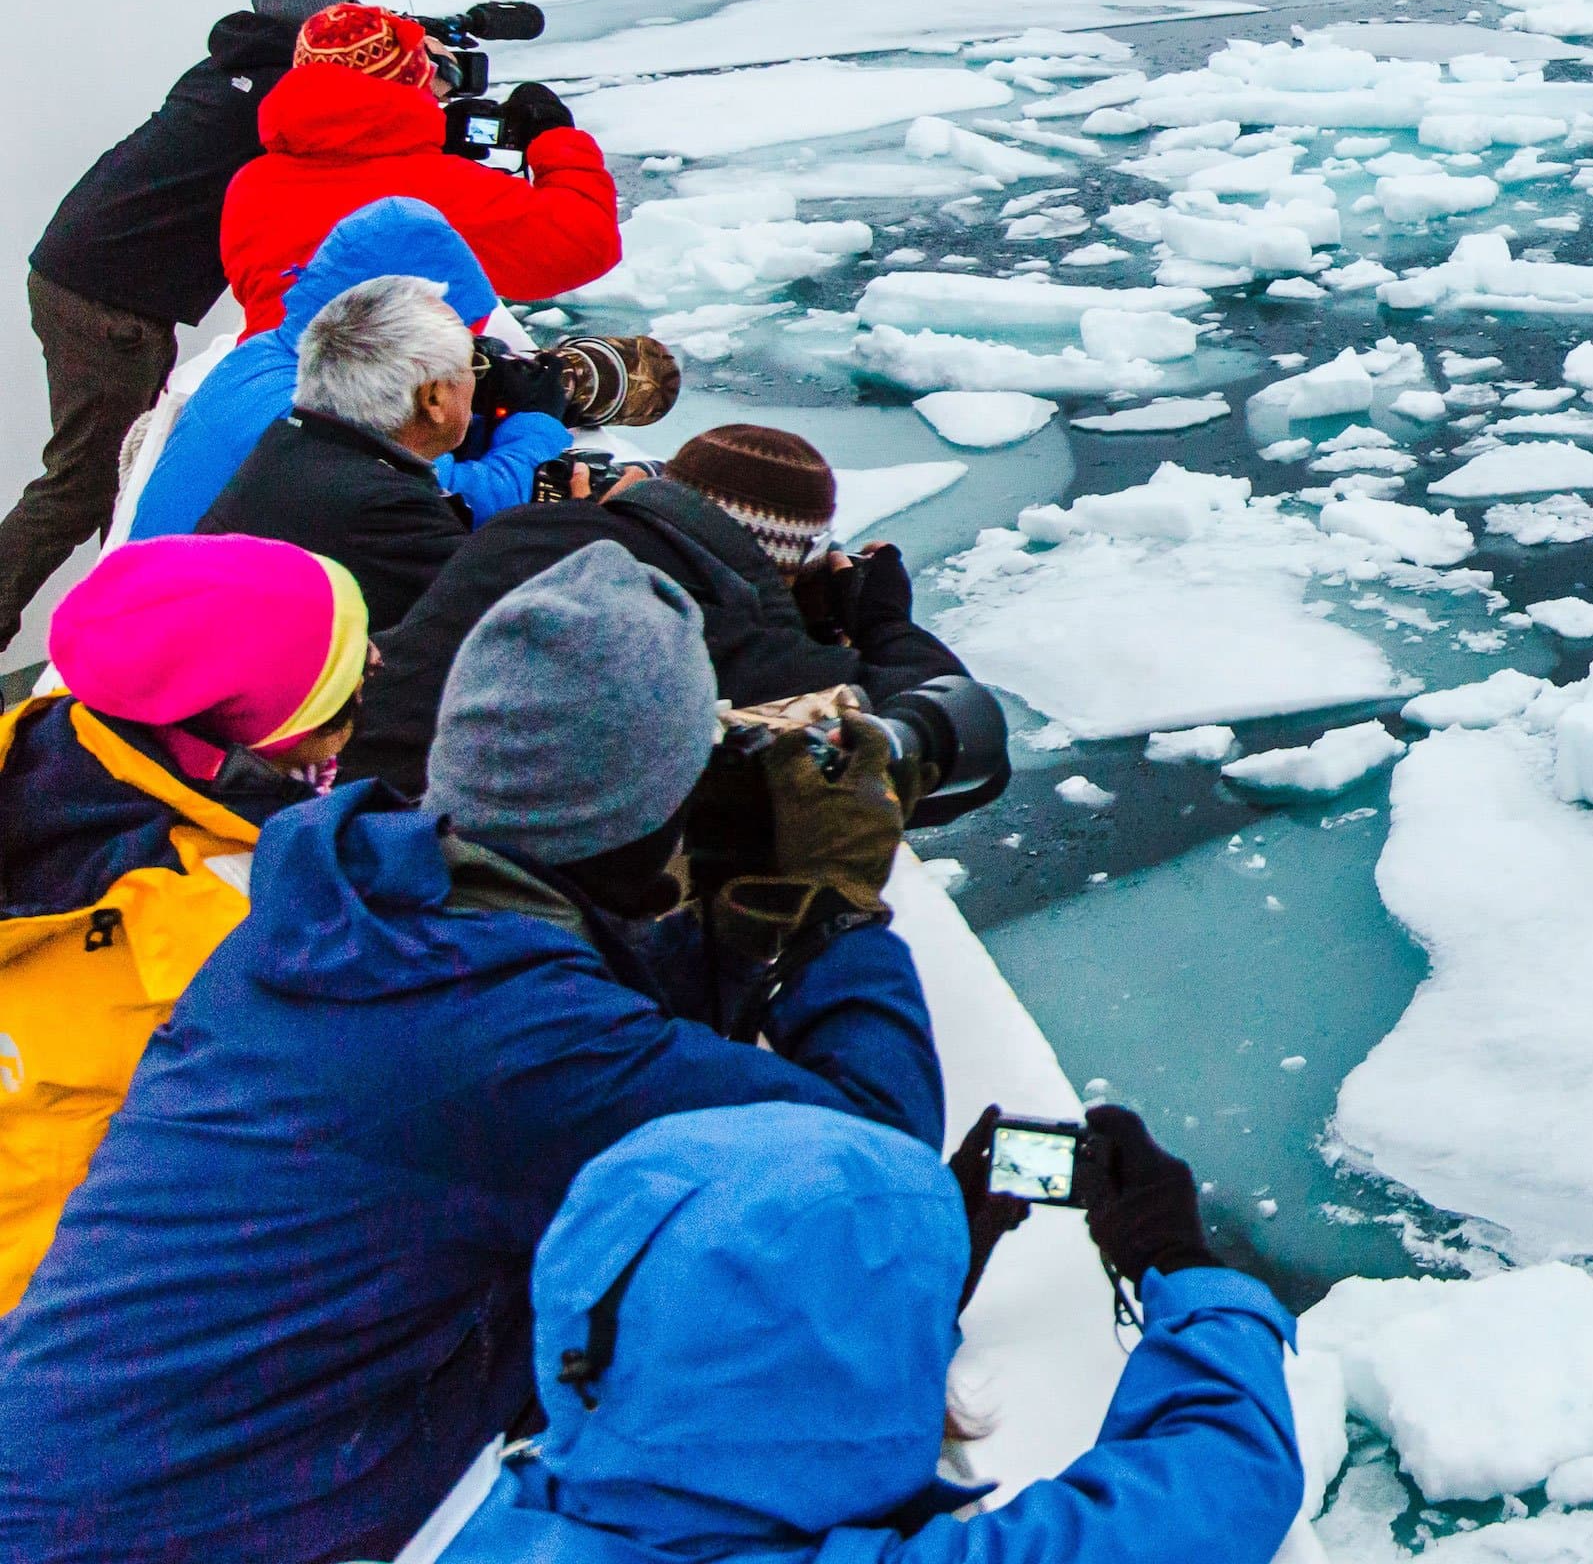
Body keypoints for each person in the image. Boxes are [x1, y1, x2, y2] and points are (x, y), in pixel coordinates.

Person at [0, 542, 941, 1564]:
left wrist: (711, 908)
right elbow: (870, 1165)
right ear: (645, 815)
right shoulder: (511, 1043)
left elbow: (559, 1014)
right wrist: (834, 916)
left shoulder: (334, 910)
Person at [438, 1103, 1307, 1564]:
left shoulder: (495, 1518)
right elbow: (1222, 1482)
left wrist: (907, 1292)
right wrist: (1179, 1262)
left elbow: (713, 1368)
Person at [0, 533, 371, 1312]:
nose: (375, 670)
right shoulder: (245, 919)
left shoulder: (36, 745)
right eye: (346, 681)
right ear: (267, 732)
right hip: (55, 1318)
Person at [0, 0, 350, 648]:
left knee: (129, 475)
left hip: (80, 277)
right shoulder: (277, 99)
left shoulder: (224, 71)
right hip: (108, 303)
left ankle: (117, 637)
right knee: (87, 483)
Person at [344, 422, 975, 798]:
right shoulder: (709, 629)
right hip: (424, 855)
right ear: (783, 561)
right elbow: (952, 714)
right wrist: (883, 618)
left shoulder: (522, 532)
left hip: (335, 796)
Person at [132, 196, 573, 540]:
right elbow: (462, 503)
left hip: (168, 615)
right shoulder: (321, 409)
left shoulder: (268, 353)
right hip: (198, 641)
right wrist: (535, 421)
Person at [221, 0, 620, 338]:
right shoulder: (433, 195)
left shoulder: (250, 186)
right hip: (382, 411)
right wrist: (555, 137)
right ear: (409, 84)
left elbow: (344, 175)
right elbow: (585, 243)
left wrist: (420, 134)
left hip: (266, 390)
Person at [193, 274, 482, 627]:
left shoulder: (288, 446)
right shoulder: (388, 512)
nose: (478, 382)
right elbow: (502, 626)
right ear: (433, 398)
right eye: (473, 366)